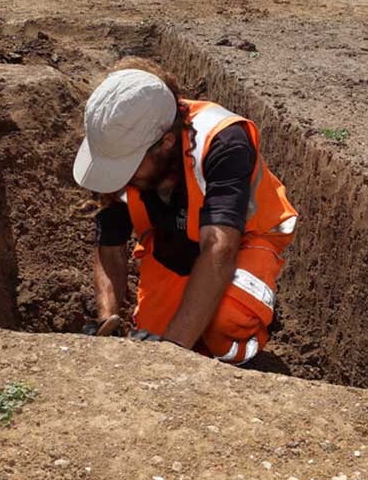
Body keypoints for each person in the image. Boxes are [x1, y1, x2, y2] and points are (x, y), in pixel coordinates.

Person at [72, 60, 298, 366]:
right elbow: (110, 243)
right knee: (150, 338)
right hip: (173, 246)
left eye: (127, 167)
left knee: (226, 323)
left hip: (241, 245)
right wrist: (107, 319)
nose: (119, 178)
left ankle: (246, 364)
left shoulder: (222, 142)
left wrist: (172, 353)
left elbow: (220, 249)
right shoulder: (121, 140)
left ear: (164, 143)